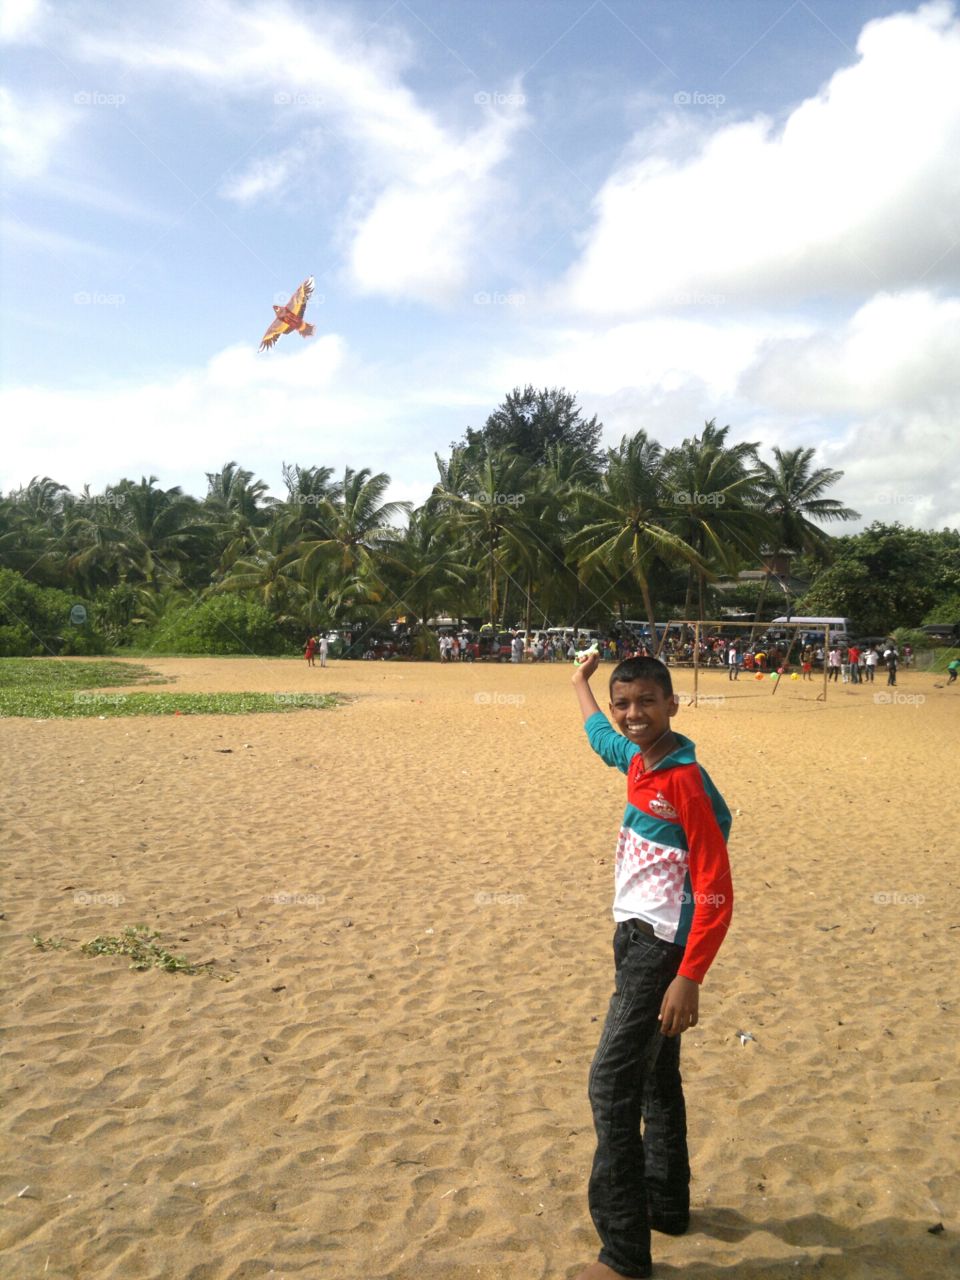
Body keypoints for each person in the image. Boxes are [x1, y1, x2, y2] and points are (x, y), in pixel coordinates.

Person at [571, 652, 734, 1280]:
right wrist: (579, 684)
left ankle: (622, 1256)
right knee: (656, 1073)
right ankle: (666, 1204)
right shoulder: (641, 762)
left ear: (673, 704)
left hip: (661, 948)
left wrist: (689, 975)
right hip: (633, 936)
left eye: (646, 702)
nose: (633, 715)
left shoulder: (686, 781)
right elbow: (600, 739)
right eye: (624, 703)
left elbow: (716, 887)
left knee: (610, 1084)